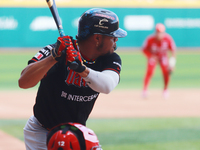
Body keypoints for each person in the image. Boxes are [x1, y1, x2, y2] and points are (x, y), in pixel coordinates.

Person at [18, 8, 127, 150]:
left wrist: (81, 69)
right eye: (112, 36)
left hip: (76, 131)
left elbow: (107, 85)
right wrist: (54, 57)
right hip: (42, 132)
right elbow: (24, 82)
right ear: (97, 38)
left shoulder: (110, 58)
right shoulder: (57, 51)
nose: (116, 40)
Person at [142, 23, 176, 99]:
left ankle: (165, 90)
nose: (159, 34)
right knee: (150, 71)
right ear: (155, 32)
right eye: (157, 32)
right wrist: (150, 56)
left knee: (166, 72)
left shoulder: (168, 39)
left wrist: (172, 64)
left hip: (163, 57)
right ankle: (145, 90)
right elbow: (144, 49)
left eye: (160, 32)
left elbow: (173, 51)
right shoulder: (150, 39)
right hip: (153, 56)